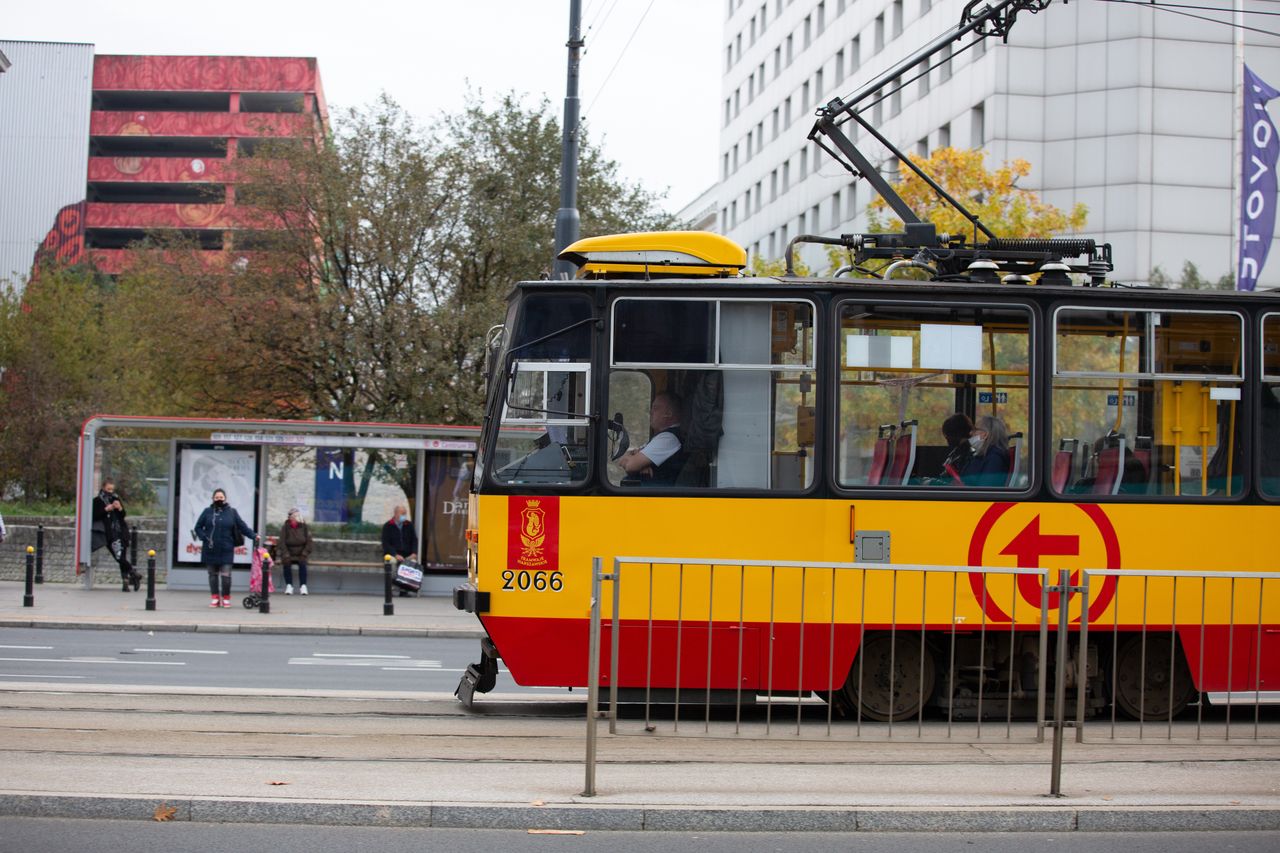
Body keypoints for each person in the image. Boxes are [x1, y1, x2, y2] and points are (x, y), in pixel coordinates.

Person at [194, 488, 258, 608]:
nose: (219, 499)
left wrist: (253, 535)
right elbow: (197, 527)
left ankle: (226, 598)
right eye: (217, 497)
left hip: (226, 548)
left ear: (225, 499)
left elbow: (242, 526)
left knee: (226, 575)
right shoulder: (207, 512)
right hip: (210, 548)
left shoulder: (232, 512)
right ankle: (215, 598)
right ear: (213, 499)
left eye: (221, 497)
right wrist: (204, 537)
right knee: (212, 575)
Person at [619, 392, 687, 485]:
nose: (651, 412)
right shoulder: (661, 436)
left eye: (656, 408)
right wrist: (639, 463)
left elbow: (630, 466)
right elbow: (622, 460)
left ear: (668, 413)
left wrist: (636, 461)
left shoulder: (668, 438)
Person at [92, 479, 141, 593]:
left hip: (120, 532)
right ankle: (134, 574)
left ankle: (126, 583)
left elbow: (123, 515)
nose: (110, 491)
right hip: (109, 533)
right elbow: (95, 516)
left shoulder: (115, 498)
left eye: (112, 489)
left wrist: (119, 508)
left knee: (121, 556)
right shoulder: (98, 501)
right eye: (108, 489)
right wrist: (106, 510)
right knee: (119, 557)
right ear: (103, 488)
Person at [961, 415, 1011, 487]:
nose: (971, 433)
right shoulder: (982, 455)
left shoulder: (995, 458)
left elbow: (986, 489)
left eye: (975, 429)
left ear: (985, 434)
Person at [381, 504, 418, 596]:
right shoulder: (388, 526)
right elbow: (386, 544)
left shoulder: (408, 525)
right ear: (396, 514)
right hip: (392, 554)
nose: (404, 516)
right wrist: (395, 554)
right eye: (402, 514)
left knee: (412, 562)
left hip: (407, 554)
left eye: (405, 514)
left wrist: (414, 552)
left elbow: (414, 540)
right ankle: (392, 588)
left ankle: (404, 589)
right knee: (391, 563)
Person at [278, 507, 313, 595]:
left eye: (297, 516)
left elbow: (309, 542)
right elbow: (281, 542)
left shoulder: (304, 526)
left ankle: (303, 586)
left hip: (301, 552)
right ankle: (289, 586)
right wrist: (285, 553)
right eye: (293, 516)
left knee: (302, 563)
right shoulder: (285, 527)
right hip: (289, 552)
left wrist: (304, 553)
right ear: (290, 518)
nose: (295, 518)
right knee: (286, 562)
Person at [936, 413, 974, 483]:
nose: (946, 439)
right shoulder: (957, 452)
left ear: (954, 434)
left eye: (947, 435)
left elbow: (953, 483)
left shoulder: (965, 457)